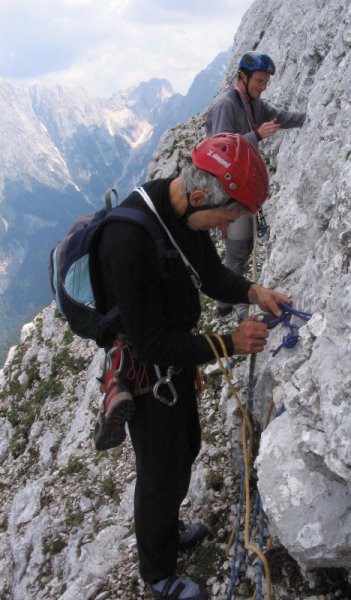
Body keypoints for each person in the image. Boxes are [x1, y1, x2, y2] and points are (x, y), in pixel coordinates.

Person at [92, 133, 290, 600]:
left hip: (175, 358)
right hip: (146, 371)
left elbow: (210, 274)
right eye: (230, 214)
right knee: (160, 470)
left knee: (186, 447)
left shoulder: (181, 210)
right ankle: (157, 573)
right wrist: (229, 344)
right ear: (202, 196)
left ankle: (167, 525)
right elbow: (153, 342)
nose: (229, 225)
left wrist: (253, 292)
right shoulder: (128, 240)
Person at [205, 51, 306, 321]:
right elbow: (220, 151)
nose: (263, 87)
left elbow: (280, 118)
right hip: (227, 193)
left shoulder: (253, 105)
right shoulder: (226, 105)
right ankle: (234, 308)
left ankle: (228, 299)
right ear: (244, 76)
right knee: (238, 248)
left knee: (245, 244)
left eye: (266, 82)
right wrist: (256, 136)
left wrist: (311, 118)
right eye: (260, 81)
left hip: (243, 188)